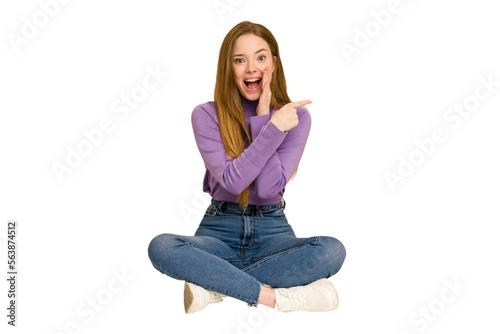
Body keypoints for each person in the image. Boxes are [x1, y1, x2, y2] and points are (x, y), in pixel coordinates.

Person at [148, 21, 346, 314]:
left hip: (273, 232)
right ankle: (276, 298)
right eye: (240, 60)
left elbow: (268, 190)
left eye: (260, 57)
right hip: (218, 231)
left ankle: (214, 286)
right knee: (161, 247)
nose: (251, 68)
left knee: (332, 251)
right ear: (228, 68)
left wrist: (267, 118)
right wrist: (270, 129)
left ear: (274, 64)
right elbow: (232, 182)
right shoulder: (206, 115)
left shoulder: (295, 118)